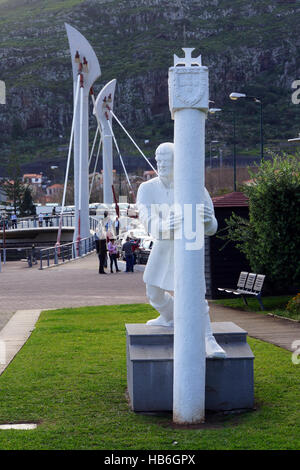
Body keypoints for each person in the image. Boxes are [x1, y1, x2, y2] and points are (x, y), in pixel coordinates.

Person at [137, 142, 226, 359]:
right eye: (159, 160)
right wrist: (164, 226)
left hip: (189, 246)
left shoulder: (194, 187)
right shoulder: (147, 189)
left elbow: (213, 227)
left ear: (178, 161)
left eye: (167, 160)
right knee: (153, 292)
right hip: (163, 247)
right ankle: (171, 316)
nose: (162, 164)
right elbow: (146, 218)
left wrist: (208, 221)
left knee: (194, 294)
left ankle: (207, 338)